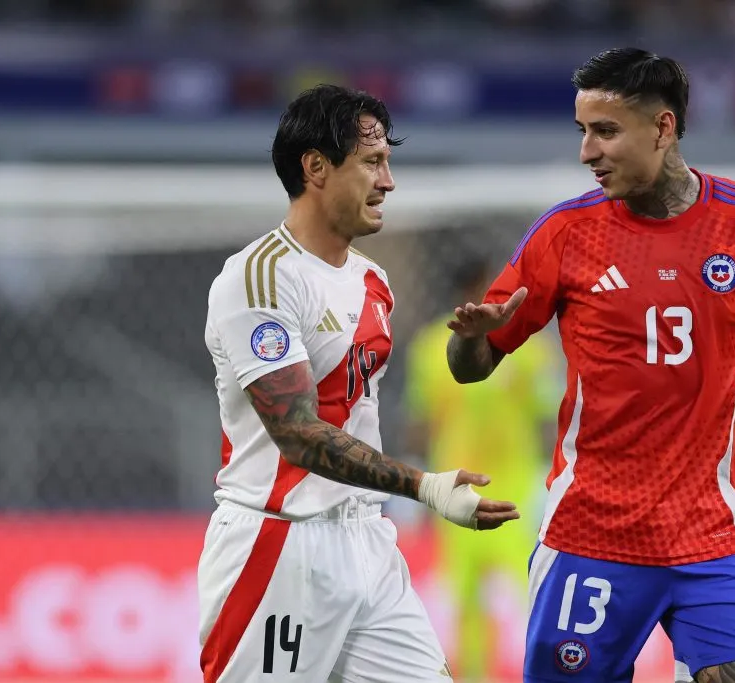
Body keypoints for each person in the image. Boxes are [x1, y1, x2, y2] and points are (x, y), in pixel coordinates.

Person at [445, 48, 735, 683]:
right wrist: (472, 339)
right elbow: (470, 366)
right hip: (592, 536)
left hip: (711, 536)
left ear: (664, 128)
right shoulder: (564, 235)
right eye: (583, 132)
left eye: (606, 132)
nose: (588, 151)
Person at [198, 84, 519, 683]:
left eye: (388, 163)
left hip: (368, 541)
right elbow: (296, 433)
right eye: (372, 162)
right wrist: (425, 486)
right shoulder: (259, 279)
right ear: (315, 167)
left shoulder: (374, 281)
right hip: (279, 547)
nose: (388, 181)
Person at [404, 257, 561, 679]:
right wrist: (416, 477)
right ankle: (474, 676)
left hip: (515, 483)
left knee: (531, 587)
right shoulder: (430, 348)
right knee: (465, 595)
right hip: (454, 486)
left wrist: (552, 473)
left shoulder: (526, 348)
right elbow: (422, 419)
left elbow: (547, 414)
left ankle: (543, 669)